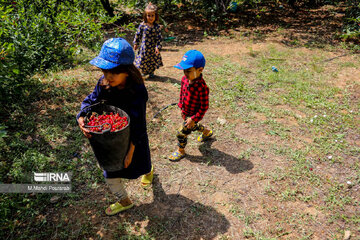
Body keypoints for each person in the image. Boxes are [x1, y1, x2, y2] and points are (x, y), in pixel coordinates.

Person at [77, 38, 153, 216]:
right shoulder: (104, 84)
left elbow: (140, 124)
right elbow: (90, 101)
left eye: (113, 72)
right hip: (111, 141)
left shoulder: (138, 90)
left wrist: (130, 151)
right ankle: (124, 201)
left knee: (141, 163)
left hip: (134, 138)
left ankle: (149, 171)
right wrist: (81, 116)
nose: (108, 77)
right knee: (110, 172)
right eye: (105, 71)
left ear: (127, 71)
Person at [168, 50, 213, 161]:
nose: (185, 74)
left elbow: (204, 106)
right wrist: (181, 106)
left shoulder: (202, 87)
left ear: (200, 70)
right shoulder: (185, 79)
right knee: (191, 126)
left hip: (194, 114)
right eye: (184, 71)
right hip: (186, 111)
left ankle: (180, 151)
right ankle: (206, 132)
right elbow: (182, 93)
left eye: (188, 71)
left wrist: (193, 118)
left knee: (181, 133)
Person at [133, 2, 163, 78]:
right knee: (143, 59)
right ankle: (144, 71)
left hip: (152, 48)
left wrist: (158, 47)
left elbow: (159, 38)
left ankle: (151, 72)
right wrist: (136, 43)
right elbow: (138, 34)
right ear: (145, 16)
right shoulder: (142, 25)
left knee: (152, 60)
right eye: (148, 15)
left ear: (155, 16)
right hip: (144, 48)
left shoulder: (156, 27)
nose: (150, 17)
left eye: (152, 15)